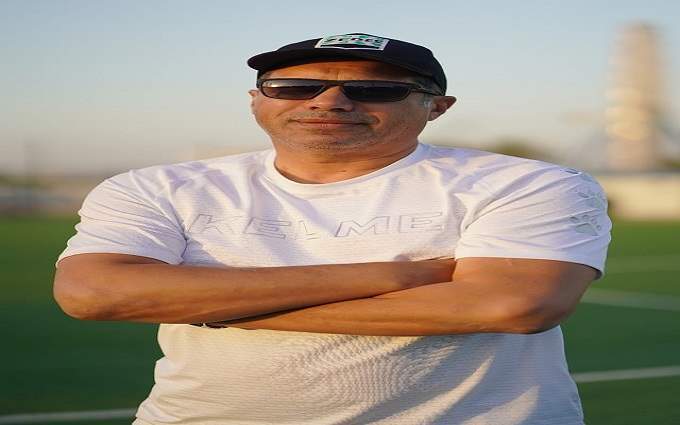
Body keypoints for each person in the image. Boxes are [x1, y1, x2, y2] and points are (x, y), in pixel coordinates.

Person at [54, 33, 611, 425]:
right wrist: (394, 276)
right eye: (293, 86)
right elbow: (92, 293)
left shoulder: (526, 183)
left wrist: (205, 304)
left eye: (375, 89)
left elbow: (512, 306)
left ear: (437, 107)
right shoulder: (159, 187)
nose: (329, 101)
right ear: (257, 99)